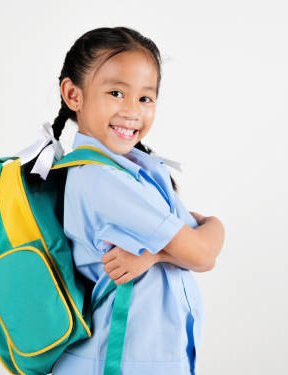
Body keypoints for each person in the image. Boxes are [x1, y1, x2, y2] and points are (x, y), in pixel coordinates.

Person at [50, 26, 225, 375]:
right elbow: (203, 253)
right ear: (73, 95)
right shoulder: (103, 180)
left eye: (145, 98)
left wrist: (156, 253)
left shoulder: (136, 169)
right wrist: (200, 234)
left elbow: (201, 248)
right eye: (116, 92)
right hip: (121, 364)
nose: (132, 111)